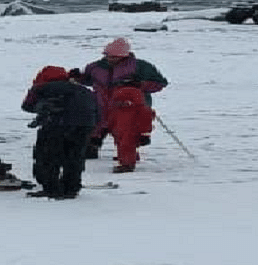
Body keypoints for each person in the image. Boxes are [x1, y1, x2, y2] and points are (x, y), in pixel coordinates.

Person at [76, 37, 167, 172]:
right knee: (93, 132)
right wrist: (76, 76)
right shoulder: (94, 67)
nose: (110, 59)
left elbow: (160, 83)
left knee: (126, 134)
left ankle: (127, 159)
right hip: (100, 106)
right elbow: (86, 80)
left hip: (127, 107)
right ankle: (90, 151)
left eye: (114, 56)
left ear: (124, 55)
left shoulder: (141, 66)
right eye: (108, 56)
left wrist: (140, 85)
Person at [20, 65, 98, 199]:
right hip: (84, 126)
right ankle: (71, 188)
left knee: (47, 157)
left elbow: (27, 106)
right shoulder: (84, 90)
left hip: (56, 126)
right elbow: (97, 110)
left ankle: (51, 188)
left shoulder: (41, 88)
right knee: (74, 158)